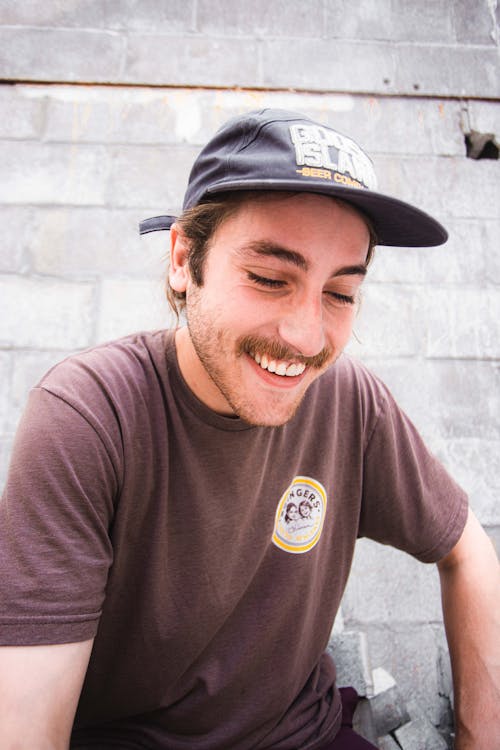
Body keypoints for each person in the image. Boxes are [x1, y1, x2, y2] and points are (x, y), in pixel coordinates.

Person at [0, 109, 498, 750]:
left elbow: (468, 551)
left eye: (341, 293)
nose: (307, 336)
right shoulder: (89, 419)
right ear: (184, 259)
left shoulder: (348, 401)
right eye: (269, 278)